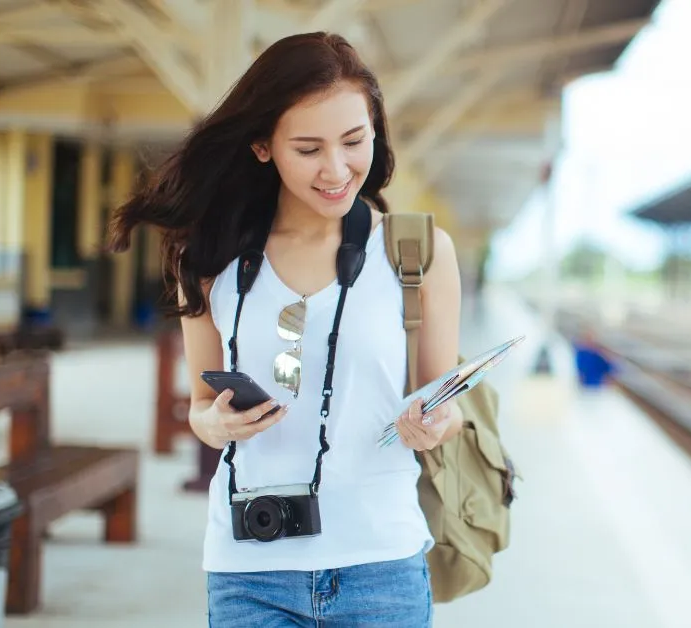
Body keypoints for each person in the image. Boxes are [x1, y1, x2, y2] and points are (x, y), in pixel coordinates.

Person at [107, 31, 463, 627]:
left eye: (354, 141)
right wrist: (215, 422)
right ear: (262, 147)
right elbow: (200, 406)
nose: (336, 169)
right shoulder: (206, 257)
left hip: (382, 567)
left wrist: (435, 422)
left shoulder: (420, 249)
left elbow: (445, 403)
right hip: (250, 569)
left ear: (376, 128)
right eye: (307, 148)